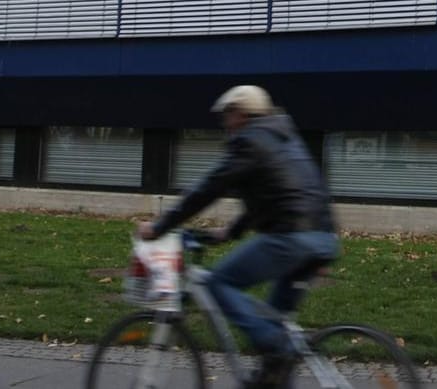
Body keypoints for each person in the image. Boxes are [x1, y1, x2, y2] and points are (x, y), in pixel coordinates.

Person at [139, 85, 337, 388]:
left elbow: (209, 188)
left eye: (227, 116)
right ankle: (277, 361)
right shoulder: (284, 138)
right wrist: (230, 232)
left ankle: (276, 351)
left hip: (289, 238)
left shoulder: (250, 141)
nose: (225, 123)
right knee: (276, 325)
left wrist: (160, 226)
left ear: (242, 114)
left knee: (219, 282)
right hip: (320, 238)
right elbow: (281, 195)